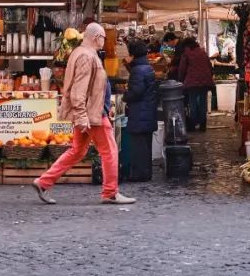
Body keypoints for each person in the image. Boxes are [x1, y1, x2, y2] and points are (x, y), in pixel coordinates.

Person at [34, 23, 134, 205]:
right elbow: (78, 91)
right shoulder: (87, 57)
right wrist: (82, 116)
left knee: (78, 151)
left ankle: (44, 182)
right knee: (110, 151)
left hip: (89, 113)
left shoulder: (80, 53)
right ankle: (110, 192)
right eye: (104, 37)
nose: (105, 41)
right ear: (97, 37)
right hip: (92, 115)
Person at [124, 39, 158, 182]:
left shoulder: (138, 70)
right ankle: (145, 172)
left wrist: (125, 96)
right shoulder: (147, 67)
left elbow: (136, 92)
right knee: (145, 144)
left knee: (139, 145)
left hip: (139, 112)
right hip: (147, 111)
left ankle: (140, 174)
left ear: (133, 53)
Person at [179, 37, 214, 132]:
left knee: (192, 103)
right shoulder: (202, 52)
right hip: (205, 81)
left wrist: (180, 79)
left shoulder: (186, 53)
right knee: (203, 102)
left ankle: (192, 125)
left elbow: (182, 69)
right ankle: (203, 125)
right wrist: (209, 76)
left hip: (192, 82)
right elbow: (210, 66)